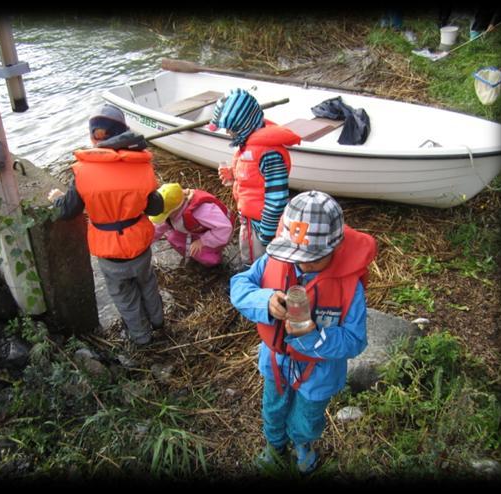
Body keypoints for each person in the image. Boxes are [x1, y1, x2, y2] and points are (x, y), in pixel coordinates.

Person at [229, 191, 377, 474]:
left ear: (334, 248)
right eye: (294, 254)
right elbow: (239, 285)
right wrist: (265, 300)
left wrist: (313, 334)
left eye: (312, 258)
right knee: (273, 407)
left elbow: (356, 341)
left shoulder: (349, 285)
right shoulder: (275, 262)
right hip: (277, 361)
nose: (301, 264)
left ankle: (303, 445)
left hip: (319, 371)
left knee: (308, 417)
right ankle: (275, 445)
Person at [47, 104, 165, 346]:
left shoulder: (83, 173)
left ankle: (142, 339)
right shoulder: (141, 167)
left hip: (111, 256)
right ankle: (159, 323)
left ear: (93, 137)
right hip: (140, 249)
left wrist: (57, 198)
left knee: (125, 298)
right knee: (148, 285)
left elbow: (67, 211)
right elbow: (156, 208)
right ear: (123, 134)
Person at [209, 88, 301, 269]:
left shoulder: (270, 154)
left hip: (263, 223)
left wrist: (267, 233)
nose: (227, 132)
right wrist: (233, 174)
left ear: (244, 124)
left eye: (230, 128)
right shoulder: (249, 146)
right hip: (249, 218)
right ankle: (246, 270)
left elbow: (277, 198)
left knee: (263, 260)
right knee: (248, 249)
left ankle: (258, 282)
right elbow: (252, 177)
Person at [149, 183, 235, 267]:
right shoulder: (173, 209)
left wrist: (203, 241)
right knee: (173, 238)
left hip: (218, 234)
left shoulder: (202, 211)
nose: (166, 218)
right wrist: (145, 244)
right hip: (196, 230)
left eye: (167, 215)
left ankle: (214, 259)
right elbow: (157, 228)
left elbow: (225, 228)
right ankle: (192, 256)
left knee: (208, 258)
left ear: (177, 209)